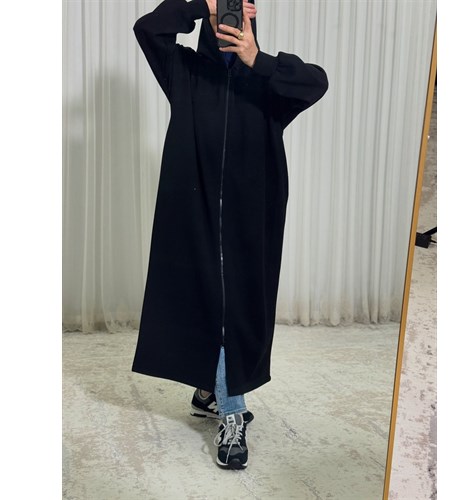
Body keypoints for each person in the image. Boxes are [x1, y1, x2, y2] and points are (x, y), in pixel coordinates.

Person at [131, 0, 328, 470]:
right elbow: (148, 29)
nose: (228, 20)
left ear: (251, 18)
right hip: (194, 210)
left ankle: (214, 392)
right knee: (209, 302)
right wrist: (197, 5)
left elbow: (317, 82)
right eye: (220, 11)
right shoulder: (185, 71)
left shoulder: (267, 82)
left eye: (235, 10)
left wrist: (258, 60)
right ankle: (229, 406)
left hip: (249, 218)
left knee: (236, 307)